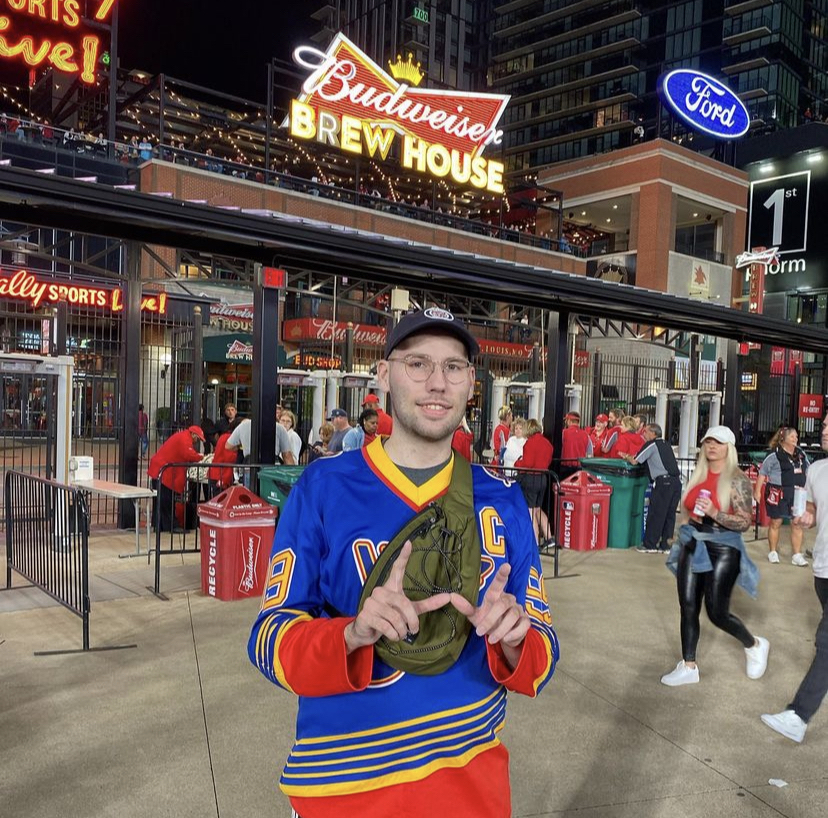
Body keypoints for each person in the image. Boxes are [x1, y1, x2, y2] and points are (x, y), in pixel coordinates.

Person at [248, 308, 558, 818]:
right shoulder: (324, 486)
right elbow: (267, 640)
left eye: (454, 367)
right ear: (384, 374)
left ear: (470, 383)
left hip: (472, 796)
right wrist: (350, 635)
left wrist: (517, 639)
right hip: (343, 796)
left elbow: (541, 661)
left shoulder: (502, 500)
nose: (438, 383)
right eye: (418, 364)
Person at [661, 426, 768, 687]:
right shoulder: (698, 475)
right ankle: (689, 665)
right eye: (708, 442)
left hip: (724, 546)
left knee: (717, 612)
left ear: (728, 447)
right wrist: (682, 531)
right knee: (688, 605)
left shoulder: (737, 479)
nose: (711, 447)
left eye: (718, 443)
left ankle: (754, 644)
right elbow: (687, 509)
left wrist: (713, 513)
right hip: (693, 542)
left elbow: (744, 523)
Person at [761, 411, 828, 743]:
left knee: (827, 643)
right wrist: (806, 517)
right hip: (823, 570)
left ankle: (798, 715)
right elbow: (815, 511)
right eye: (825, 424)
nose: (824, 430)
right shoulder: (816, 469)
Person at [754, 426, 810, 566]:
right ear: (783, 439)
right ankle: (773, 552)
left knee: (796, 523)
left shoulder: (801, 454)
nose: (795, 439)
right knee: (776, 522)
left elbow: (809, 470)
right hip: (777, 492)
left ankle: (796, 555)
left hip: (797, 493)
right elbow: (762, 473)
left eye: (796, 436)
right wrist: (757, 491)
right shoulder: (774, 455)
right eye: (792, 437)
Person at [625, 424, 682, 554]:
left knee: (656, 513)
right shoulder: (666, 444)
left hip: (663, 483)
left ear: (653, 433)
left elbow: (635, 460)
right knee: (669, 515)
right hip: (676, 482)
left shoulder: (651, 444)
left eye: (645, 432)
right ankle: (666, 545)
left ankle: (649, 544)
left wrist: (626, 456)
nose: (643, 434)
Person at [147, 425, 205, 532]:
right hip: (164, 473)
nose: (197, 441)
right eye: (197, 438)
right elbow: (188, 454)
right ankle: (171, 526)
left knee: (160, 501)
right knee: (166, 500)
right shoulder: (185, 439)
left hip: (159, 470)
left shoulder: (182, 436)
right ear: (193, 434)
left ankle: (159, 525)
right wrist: (201, 457)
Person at [515, 418, 555, 546]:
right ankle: (549, 537)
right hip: (543, 478)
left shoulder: (530, 443)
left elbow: (528, 463)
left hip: (531, 479)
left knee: (530, 511)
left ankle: (535, 543)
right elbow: (548, 461)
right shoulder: (547, 444)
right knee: (538, 509)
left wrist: (517, 463)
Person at [560, 412, 592, 478]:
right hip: (580, 468)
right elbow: (590, 454)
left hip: (565, 467)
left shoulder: (564, 433)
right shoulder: (586, 435)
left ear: (569, 421)